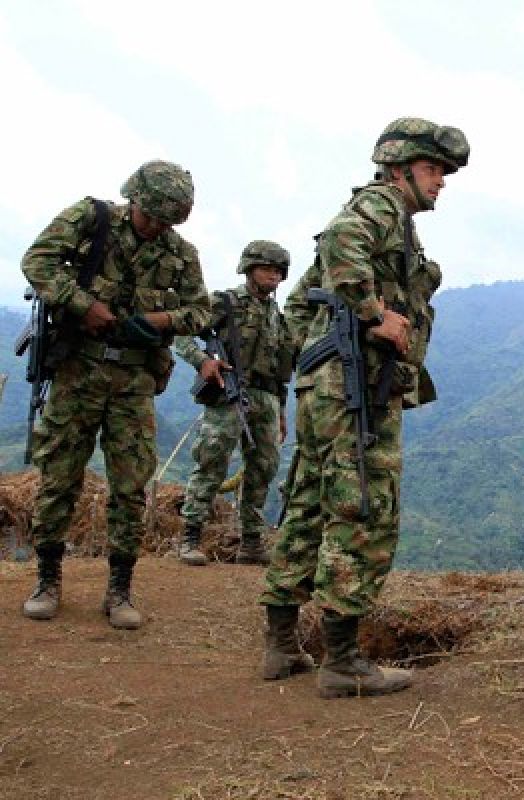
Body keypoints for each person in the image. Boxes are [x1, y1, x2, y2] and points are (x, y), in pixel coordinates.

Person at [258, 118, 469, 697]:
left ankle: (281, 646)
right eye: (433, 170)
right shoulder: (379, 208)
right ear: (400, 169)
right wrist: (374, 317)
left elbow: (303, 301)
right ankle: (343, 662)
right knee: (364, 508)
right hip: (354, 387)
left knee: (309, 502)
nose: (442, 182)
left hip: (327, 385)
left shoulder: (389, 221)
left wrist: (313, 360)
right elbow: (339, 244)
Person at [20, 160, 210, 629]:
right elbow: (37, 261)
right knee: (59, 476)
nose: (157, 227)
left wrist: (161, 321)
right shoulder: (91, 220)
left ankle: (119, 590)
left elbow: (201, 313)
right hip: (77, 372)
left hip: (133, 383)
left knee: (130, 487)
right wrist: (84, 306)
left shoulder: (181, 254)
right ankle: (47, 580)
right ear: (135, 200)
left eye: (168, 221)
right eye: (151, 216)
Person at [175, 241, 296, 567]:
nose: (273, 275)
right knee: (212, 461)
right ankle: (190, 536)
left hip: (266, 398)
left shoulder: (277, 317)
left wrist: (281, 411)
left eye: (278, 270)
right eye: (266, 268)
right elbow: (181, 333)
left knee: (263, 468)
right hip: (228, 394)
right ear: (249, 269)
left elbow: (280, 369)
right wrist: (202, 361)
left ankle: (252, 543)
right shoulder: (224, 303)